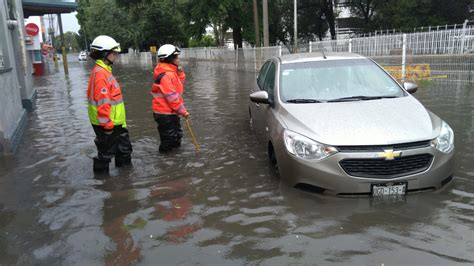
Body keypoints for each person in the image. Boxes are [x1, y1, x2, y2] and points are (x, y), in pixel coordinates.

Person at [87, 35, 132, 172]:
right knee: (106, 154)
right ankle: (105, 181)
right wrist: (107, 126)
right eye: (114, 53)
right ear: (105, 54)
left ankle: (122, 182)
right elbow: (103, 102)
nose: (116, 55)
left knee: (123, 151)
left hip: (114, 123)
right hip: (109, 124)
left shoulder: (103, 71)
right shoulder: (101, 74)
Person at [151, 44, 189, 153]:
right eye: (176, 57)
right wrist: (183, 111)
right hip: (165, 113)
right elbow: (172, 97)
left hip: (171, 112)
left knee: (177, 136)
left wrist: (180, 72)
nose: (179, 59)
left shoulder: (171, 72)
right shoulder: (167, 75)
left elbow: (179, 84)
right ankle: (166, 164)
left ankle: (174, 162)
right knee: (169, 140)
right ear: (169, 59)